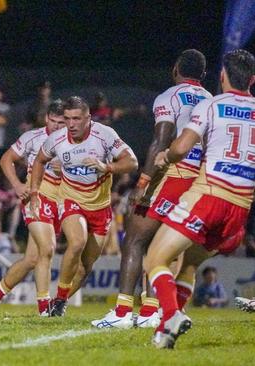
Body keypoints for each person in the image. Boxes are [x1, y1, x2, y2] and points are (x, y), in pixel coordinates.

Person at [145, 49, 255, 348]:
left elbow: (181, 148)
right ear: (253, 79)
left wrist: (167, 155)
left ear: (222, 76)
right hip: (239, 211)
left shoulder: (211, 105)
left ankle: (170, 315)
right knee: (190, 263)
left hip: (207, 197)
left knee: (155, 258)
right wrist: (247, 168)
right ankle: (167, 333)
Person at [91, 49, 212, 329]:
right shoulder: (212, 101)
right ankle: (150, 311)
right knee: (169, 246)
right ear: (204, 75)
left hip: (173, 173)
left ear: (175, 69)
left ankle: (122, 312)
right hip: (200, 180)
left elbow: (161, 141)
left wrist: (143, 182)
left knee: (134, 238)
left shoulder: (169, 96)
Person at [31, 96, 138, 317]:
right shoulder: (57, 140)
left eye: (77, 119)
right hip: (70, 200)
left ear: (88, 118)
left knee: (85, 267)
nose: (71, 124)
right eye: (68, 118)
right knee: (77, 242)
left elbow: (132, 163)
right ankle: (58, 301)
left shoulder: (104, 135)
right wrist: (34, 191)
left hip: (100, 207)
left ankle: (59, 301)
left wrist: (106, 166)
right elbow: (39, 161)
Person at [0, 100, 67, 317]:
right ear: (46, 118)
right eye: (53, 121)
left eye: (61, 122)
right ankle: (44, 308)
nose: (57, 126)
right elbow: (6, 159)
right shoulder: (33, 137)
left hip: (59, 201)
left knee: (32, 259)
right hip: (35, 197)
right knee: (48, 249)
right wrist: (18, 184)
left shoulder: (72, 140)